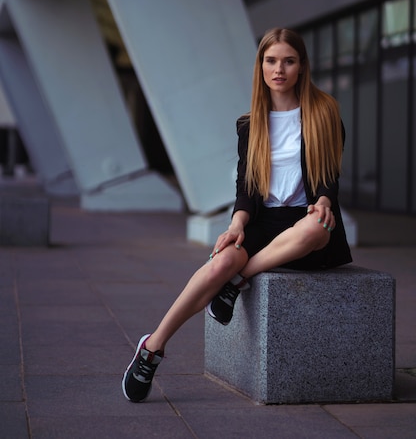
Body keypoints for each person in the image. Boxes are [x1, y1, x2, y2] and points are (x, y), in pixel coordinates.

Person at [122, 27, 352, 403]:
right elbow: (246, 189)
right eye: (271, 60)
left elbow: (329, 176)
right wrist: (236, 224)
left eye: (289, 61)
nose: (279, 69)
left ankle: (237, 280)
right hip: (263, 224)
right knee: (217, 264)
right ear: (261, 66)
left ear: (302, 66)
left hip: (305, 222)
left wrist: (324, 201)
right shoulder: (250, 124)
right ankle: (152, 347)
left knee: (315, 229)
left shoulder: (324, 112)